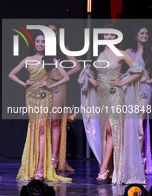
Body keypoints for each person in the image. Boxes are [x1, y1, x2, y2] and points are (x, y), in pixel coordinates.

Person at [79, 25, 146, 184]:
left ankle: (104, 168)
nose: (108, 38)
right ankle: (110, 170)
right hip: (101, 96)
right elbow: (86, 72)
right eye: (106, 35)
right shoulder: (98, 54)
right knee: (105, 132)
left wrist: (122, 82)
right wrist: (92, 80)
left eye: (111, 35)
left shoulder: (121, 54)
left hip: (116, 95)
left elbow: (138, 71)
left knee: (111, 129)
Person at [9, 30, 71, 181]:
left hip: (45, 96)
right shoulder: (28, 59)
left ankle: (40, 168)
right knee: (35, 130)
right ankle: (32, 164)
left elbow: (66, 77)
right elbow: (11, 74)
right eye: (38, 41)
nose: (40, 44)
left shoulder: (50, 59)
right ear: (34, 43)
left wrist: (50, 85)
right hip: (31, 96)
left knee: (43, 128)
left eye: (43, 42)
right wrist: (24, 83)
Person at [47, 23, 81, 172]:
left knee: (55, 121)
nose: (51, 33)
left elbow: (77, 66)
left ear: (58, 33)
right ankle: (43, 157)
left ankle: (54, 158)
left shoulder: (62, 47)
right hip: (42, 87)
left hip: (57, 86)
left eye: (54, 31)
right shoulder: (40, 47)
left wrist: (63, 76)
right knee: (42, 124)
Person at [125, 26, 152, 174]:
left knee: (140, 123)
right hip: (130, 89)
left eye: (147, 33)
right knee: (131, 124)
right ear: (136, 35)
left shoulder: (150, 50)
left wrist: (150, 80)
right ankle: (130, 158)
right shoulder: (129, 52)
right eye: (142, 33)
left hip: (144, 90)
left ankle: (140, 160)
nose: (145, 35)